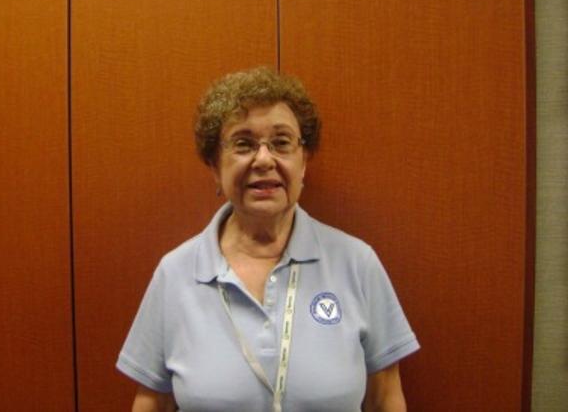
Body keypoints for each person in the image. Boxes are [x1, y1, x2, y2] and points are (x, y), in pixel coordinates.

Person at [117, 67, 419, 412]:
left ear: (303, 163)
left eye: (281, 143)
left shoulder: (356, 263)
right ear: (215, 167)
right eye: (243, 144)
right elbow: (153, 401)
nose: (263, 160)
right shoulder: (176, 274)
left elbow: (385, 397)